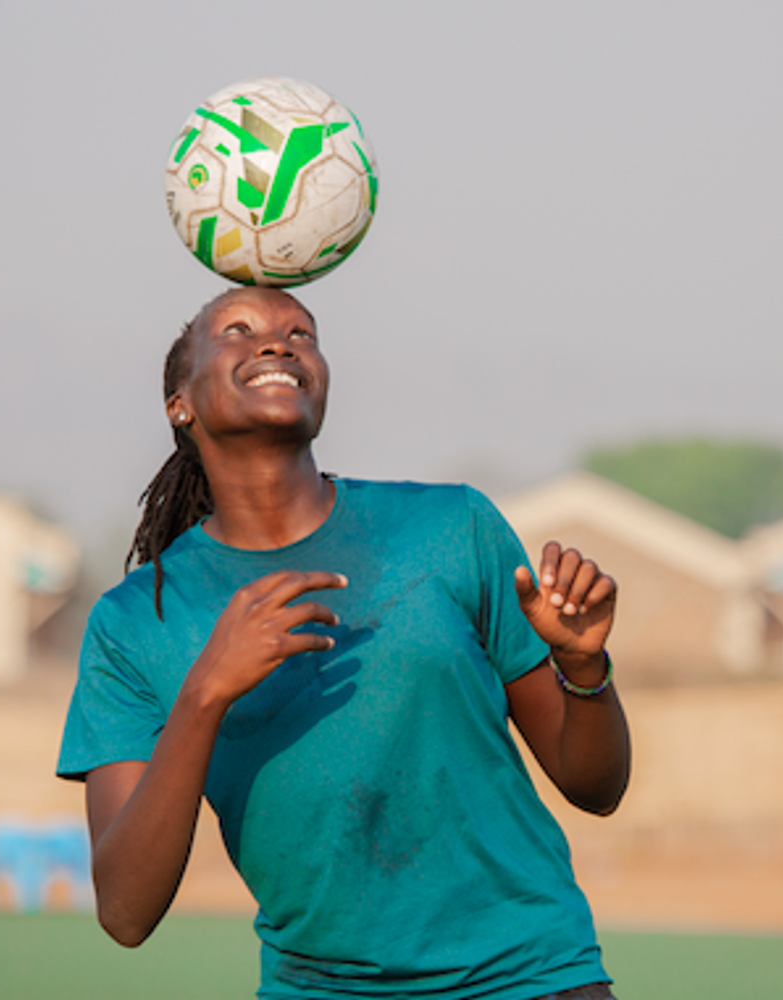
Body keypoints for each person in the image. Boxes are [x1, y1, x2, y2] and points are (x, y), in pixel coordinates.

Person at [57, 287, 631, 1000]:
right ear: (181, 403)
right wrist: (205, 694)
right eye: (239, 330)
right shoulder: (135, 622)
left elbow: (595, 787)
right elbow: (124, 912)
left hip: (533, 979)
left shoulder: (452, 526)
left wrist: (583, 667)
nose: (278, 341)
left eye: (302, 332)